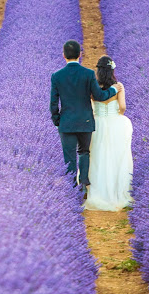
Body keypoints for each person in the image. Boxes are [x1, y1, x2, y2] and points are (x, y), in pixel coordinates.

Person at [50, 40, 122, 197]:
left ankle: (71, 189)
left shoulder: (56, 76)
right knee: (84, 152)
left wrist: (57, 121)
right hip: (85, 121)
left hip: (66, 122)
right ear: (80, 54)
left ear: (64, 56)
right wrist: (113, 90)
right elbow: (100, 96)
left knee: (69, 157)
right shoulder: (88, 74)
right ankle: (83, 185)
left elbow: (53, 103)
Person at [84, 55, 133, 211]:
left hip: (98, 124)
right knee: (116, 158)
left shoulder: (93, 86)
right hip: (115, 123)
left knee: (97, 157)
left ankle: (98, 192)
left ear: (98, 71)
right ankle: (116, 192)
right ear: (112, 70)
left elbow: (91, 107)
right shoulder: (119, 86)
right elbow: (123, 107)